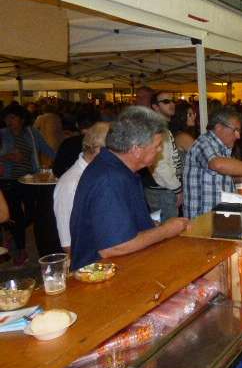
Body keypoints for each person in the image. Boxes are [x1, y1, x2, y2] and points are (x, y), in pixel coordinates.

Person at [69, 106, 189, 271]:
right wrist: (166, 230)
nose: (160, 149)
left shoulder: (119, 169)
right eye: (157, 145)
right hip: (100, 278)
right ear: (136, 150)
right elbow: (114, 246)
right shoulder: (109, 180)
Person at [183, 107, 242, 218]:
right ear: (219, 127)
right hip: (202, 220)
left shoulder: (222, 147)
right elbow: (218, 165)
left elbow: (219, 177)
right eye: (235, 130)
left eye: (239, 131)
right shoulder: (203, 143)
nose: (238, 136)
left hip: (220, 216)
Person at [0, 103, 56, 265]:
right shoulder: (2, 134)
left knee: (32, 214)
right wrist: (6, 157)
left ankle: (12, 232)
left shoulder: (32, 133)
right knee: (15, 214)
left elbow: (47, 149)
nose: (9, 121)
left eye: (13, 118)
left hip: (29, 180)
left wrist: (61, 160)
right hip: (9, 180)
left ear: (22, 119)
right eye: (6, 118)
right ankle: (21, 249)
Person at [53, 122, 109, 253]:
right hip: (91, 258)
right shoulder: (70, 183)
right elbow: (68, 242)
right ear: (98, 150)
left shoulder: (102, 173)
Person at [143, 92, 183, 222]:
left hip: (165, 188)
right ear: (155, 107)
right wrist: (177, 188)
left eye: (172, 100)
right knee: (168, 229)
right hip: (163, 190)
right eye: (166, 102)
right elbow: (159, 165)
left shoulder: (162, 127)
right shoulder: (157, 128)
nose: (171, 104)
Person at [53, 109, 99, 177]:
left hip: (71, 179)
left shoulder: (68, 143)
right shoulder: (101, 144)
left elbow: (57, 170)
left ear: (77, 125)